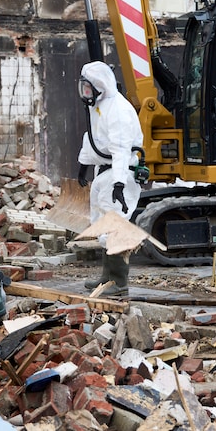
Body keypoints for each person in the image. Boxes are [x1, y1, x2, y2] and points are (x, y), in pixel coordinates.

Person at [75, 60, 144, 297]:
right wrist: (83, 166)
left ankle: (119, 282)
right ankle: (107, 277)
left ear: (100, 86)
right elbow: (92, 138)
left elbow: (121, 149)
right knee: (103, 224)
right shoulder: (100, 105)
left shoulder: (119, 110)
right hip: (105, 171)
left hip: (120, 171)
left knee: (116, 227)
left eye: (87, 88)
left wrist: (119, 183)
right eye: (83, 87)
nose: (85, 93)